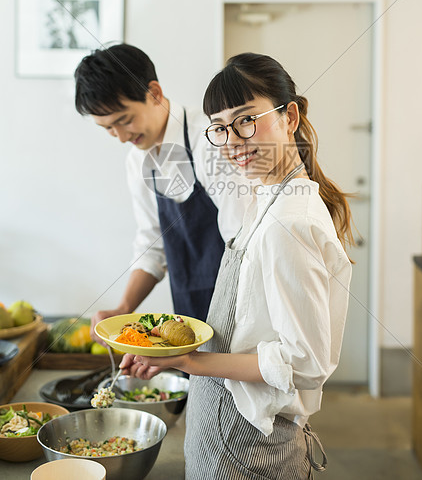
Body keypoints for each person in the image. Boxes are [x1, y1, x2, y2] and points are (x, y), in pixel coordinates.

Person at [120, 52, 354, 478]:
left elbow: (305, 363)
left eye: (247, 120)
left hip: (246, 449)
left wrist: (189, 364)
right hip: (224, 430)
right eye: (220, 128)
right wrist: (172, 351)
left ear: (290, 117)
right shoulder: (264, 196)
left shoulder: (289, 221)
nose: (233, 141)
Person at [74, 43, 249, 335]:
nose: (120, 137)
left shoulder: (208, 138)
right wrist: (123, 308)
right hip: (190, 309)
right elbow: (153, 244)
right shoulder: (137, 160)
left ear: (154, 93)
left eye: (124, 120)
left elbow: (242, 236)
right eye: (107, 128)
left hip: (241, 306)